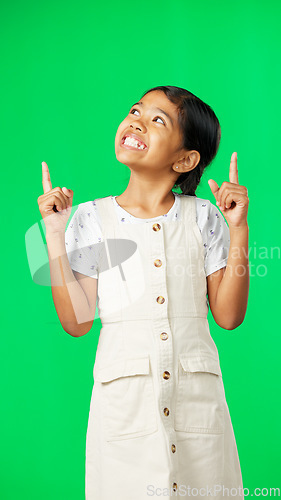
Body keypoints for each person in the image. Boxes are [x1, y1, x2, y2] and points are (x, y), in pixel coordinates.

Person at [37, 85, 249, 500]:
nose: (135, 120)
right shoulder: (89, 218)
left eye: (157, 120)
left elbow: (228, 315)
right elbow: (77, 322)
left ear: (185, 159)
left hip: (197, 407)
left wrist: (238, 228)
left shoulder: (203, 216)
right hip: (124, 410)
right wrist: (54, 234)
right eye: (136, 110)